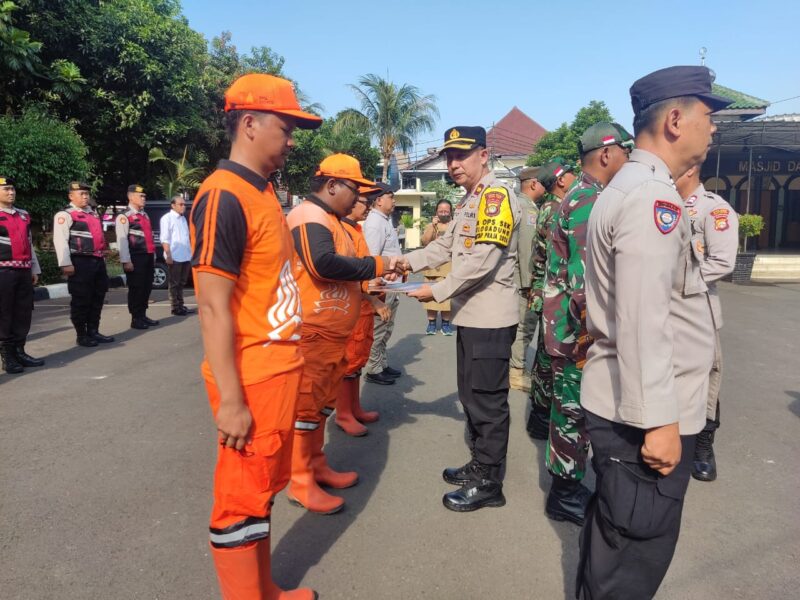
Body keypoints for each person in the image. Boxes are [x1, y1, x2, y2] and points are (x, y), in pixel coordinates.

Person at [576, 66, 732, 599]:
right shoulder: (652, 199)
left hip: (631, 403)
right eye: (708, 117)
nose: (714, 130)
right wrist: (660, 422)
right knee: (632, 557)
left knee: (613, 545)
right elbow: (644, 320)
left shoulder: (638, 189)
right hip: (644, 415)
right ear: (673, 120)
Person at [189, 72, 322, 599]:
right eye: (285, 127)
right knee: (241, 500)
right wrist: (231, 402)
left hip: (278, 371)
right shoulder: (223, 196)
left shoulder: (261, 191)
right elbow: (211, 305)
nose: (291, 139)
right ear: (249, 123)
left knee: (263, 493)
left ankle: (265, 589)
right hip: (252, 376)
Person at [399, 125, 521, 512]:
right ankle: (479, 463)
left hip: (490, 319)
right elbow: (446, 246)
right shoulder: (471, 200)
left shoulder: (495, 197)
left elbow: (483, 261)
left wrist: (435, 290)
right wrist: (404, 263)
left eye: (461, 155)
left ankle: (489, 482)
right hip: (471, 316)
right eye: (449, 156)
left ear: (484, 155)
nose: (453, 164)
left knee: (487, 402)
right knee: (471, 396)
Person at [286, 154, 401, 514]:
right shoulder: (309, 215)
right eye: (354, 190)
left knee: (320, 407)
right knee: (306, 408)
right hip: (311, 330)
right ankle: (300, 478)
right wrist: (379, 265)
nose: (357, 199)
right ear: (331, 184)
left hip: (333, 331)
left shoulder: (334, 221)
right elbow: (323, 265)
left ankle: (316, 463)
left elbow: (347, 272)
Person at [541, 122, 633, 526]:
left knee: (571, 408)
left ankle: (569, 483)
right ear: (608, 154)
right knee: (572, 411)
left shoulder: (584, 194)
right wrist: (590, 334)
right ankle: (564, 492)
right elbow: (583, 281)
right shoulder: (587, 200)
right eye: (627, 153)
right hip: (576, 331)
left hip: (573, 328)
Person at [675, 164, 738, 482]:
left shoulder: (713, 209)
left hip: (699, 306)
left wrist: (679, 283)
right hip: (667, 309)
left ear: (691, 171)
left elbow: (723, 262)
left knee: (707, 378)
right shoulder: (665, 203)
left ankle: (703, 446)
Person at [527, 158, 577, 439]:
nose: (575, 176)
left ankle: (540, 413)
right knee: (552, 358)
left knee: (546, 356)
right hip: (556, 296)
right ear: (560, 180)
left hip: (546, 293)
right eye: (571, 173)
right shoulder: (558, 210)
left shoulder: (548, 208)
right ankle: (544, 414)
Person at [335, 192, 391, 436]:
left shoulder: (356, 229)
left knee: (357, 360)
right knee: (347, 363)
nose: (367, 207)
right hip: (353, 307)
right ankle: (343, 413)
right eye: (363, 203)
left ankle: (354, 407)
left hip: (364, 307)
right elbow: (348, 276)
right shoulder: (341, 232)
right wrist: (372, 299)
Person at [53, 181, 115, 347]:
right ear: (71, 196)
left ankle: (93, 330)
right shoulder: (65, 215)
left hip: (97, 260)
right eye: (81, 193)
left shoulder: (93, 213)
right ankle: (82, 334)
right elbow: (60, 240)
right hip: (79, 261)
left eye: (87, 194)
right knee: (82, 299)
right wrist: (65, 263)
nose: (85, 196)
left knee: (98, 296)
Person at [0, 176, 44, 373]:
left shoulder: (23, 215)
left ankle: (20, 350)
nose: (11, 192)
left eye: (13, 189)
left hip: (23, 270)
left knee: (23, 312)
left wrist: (34, 268)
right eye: (6, 189)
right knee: (4, 313)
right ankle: (7, 356)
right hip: (3, 271)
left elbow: (29, 244)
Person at [362, 182, 403, 385]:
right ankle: (373, 368)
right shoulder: (374, 223)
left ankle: (382, 364)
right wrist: (373, 292)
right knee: (378, 329)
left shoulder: (384, 220)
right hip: (382, 285)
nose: (393, 201)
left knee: (387, 328)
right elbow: (372, 257)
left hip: (391, 284)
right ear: (378, 200)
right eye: (390, 197)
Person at [509, 166, 543, 391]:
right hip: (523, 280)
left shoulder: (519, 204)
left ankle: (515, 369)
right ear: (533, 184)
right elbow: (526, 250)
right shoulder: (527, 210)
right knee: (525, 327)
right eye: (542, 182)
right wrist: (529, 283)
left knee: (520, 326)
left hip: (514, 278)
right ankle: (516, 373)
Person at [116, 184, 158, 330]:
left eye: (144, 196)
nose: (144, 198)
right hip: (135, 257)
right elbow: (122, 240)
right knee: (136, 288)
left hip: (147, 255)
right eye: (141, 196)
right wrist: (126, 260)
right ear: (131, 197)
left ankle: (143, 314)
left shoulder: (144, 215)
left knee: (146, 287)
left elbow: (149, 237)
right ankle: (135, 318)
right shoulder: (124, 216)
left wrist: (153, 255)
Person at [420, 199, 454, 335]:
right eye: (441, 211)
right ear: (436, 212)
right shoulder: (431, 226)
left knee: (447, 299)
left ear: (451, 212)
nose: (443, 213)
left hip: (449, 267)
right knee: (431, 297)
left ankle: (446, 324)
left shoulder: (455, 225)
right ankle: (432, 324)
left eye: (446, 211)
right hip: (432, 268)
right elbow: (425, 242)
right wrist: (432, 227)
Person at [159, 194, 194, 316]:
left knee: (182, 282)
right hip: (175, 256)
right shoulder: (167, 218)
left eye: (184, 204)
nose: (183, 206)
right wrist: (168, 255)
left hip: (185, 255)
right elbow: (165, 238)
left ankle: (181, 304)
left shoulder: (183, 218)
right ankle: (175, 307)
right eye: (181, 204)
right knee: (174, 283)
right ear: (173, 205)